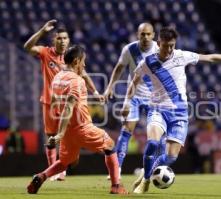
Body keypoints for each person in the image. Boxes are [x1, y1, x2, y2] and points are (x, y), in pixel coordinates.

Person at [121, 27, 221, 194]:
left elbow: (209, 58)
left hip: (180, 114)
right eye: (166, 46)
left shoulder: (181, 56)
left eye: (172, 45)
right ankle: (145, 181)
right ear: (159, 44)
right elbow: (134, 82)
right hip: (158, 109)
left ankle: (146, 170)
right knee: (152, 143)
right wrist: (127, 103)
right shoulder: (147, 62)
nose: (169, 49)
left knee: (171, 157)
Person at [27, 45, 128, 195]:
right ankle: (116, 186)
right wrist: (59, 134)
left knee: (64, 162)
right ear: (76, 61)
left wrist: (62, 131)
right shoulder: (77, 81)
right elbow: (68, 107)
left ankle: (42, 176)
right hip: (82, 128)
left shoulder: (57, 78)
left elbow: (56, 104)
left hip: (68, 132)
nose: (84, 65)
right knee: (110, 145)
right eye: (83, 61)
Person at [24, 19, 100, 181]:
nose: (62, 41)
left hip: (70, 103)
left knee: (69, 135)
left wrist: (96, 92)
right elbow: (27, 47)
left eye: (65, 38)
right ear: (54, 40)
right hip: (50, 102)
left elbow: (84, 75)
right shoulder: (46, 52)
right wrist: (42, 31)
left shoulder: (73, 58)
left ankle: (63, 165)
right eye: (59, 38)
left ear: (69, 40)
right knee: (51, 135)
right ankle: (56, 171)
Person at [103, 23, 165, 179]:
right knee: (126, 131)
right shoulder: (129, 50)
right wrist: (110, 87)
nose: (145, 37)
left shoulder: (159, 50)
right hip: (134, 96)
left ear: (153, 35)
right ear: (138, 34)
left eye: (148, 34)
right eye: (142, 34)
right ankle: (117, 170)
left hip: (154, 98)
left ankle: (153, 169)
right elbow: (119, 68)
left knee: (156, 136)